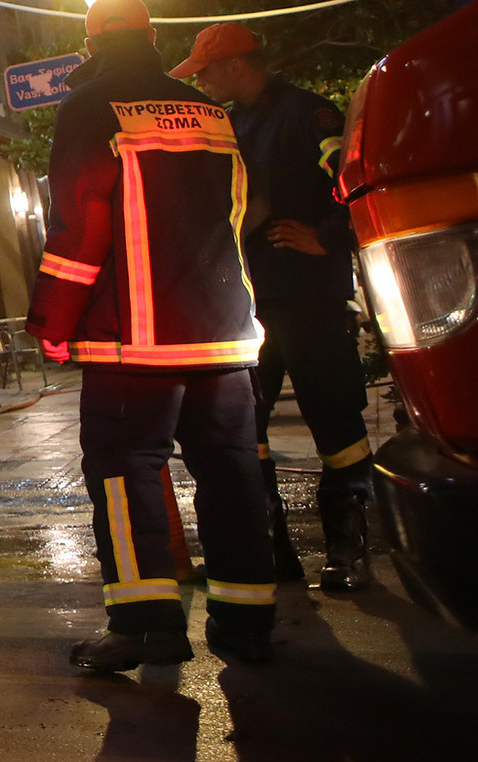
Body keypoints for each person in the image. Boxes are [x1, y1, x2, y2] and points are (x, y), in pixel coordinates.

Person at [26, 0, 278, 670]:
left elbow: (80, 226)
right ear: (153, 38)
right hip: (224, 335)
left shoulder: (89, 108)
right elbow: (246, 207)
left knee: (124, 472)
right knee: (231, 473)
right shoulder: (209, 110)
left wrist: (52, 323)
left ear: (91, 44)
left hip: (133, 341)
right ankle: (247, 622)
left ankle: (145, 627)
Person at [171, 22, 373, 590]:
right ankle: (270, 552)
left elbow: (357, 183)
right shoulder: (227, 124)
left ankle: (347, 551)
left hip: (311, 301)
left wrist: (327, 237)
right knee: (244, 430)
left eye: (206, 72)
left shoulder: (309, 114)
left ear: (237, 65)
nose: (202, 83)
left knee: (335, 419)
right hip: (250, 306)